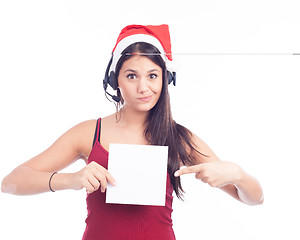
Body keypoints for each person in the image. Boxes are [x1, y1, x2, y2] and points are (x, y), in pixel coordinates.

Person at [1, 24, 263, 240]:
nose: (143, 87)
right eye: (131, 76)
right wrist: (71, 180)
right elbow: (11, 182)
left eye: (152, 75)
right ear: (116, 80)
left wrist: (237, 174)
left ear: (164, 78)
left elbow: (255, 199)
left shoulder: (180, 138)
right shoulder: (88, 133)